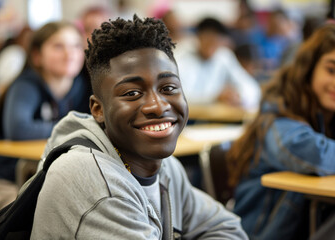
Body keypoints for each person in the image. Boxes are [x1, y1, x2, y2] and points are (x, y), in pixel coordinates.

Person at [30, 15, 248, 239]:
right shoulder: (94, 184)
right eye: (132, 93)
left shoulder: (166, 168)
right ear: (98, 109)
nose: (157, 105)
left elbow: (228, 228)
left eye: (169, 87)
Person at [227, 24, 335, 240]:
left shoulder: (329, 114)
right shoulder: (277, 113)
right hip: (261, 233)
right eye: (331, 70)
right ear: (309, 67)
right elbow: (314, 153)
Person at [0, 21, 91, 214]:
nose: (70, 54)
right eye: (58, 46)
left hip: (58, 178)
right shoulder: (25, 86)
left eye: (76, 45)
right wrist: (77, 126)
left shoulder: (85, 85)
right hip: (12, 180)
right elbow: (19, 129)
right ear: (37, 55)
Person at [177, 17, 261, 110]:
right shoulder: (183, 59)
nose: (212, 42)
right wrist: (215, 97)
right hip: (190, 118)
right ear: (198, 37)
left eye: (216, 38)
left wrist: (238, 95)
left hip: (218, 118)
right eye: (208, 37)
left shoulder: (224, 57)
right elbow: (180, 96)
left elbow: (252, 88)